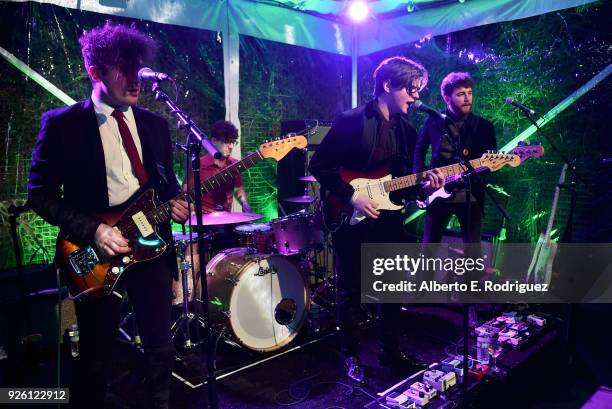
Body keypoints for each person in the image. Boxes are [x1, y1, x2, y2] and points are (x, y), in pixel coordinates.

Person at [27, 22, 188, 409]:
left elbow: (166, 185)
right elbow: (40, 195)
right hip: (93, 255)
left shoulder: (156, 125)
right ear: (95, 71)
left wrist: (176, 201)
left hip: (151, 250)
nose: (135, 79)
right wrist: (95, 229)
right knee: (98, 354)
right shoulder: (62, 125)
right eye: (123, 68)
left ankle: (160, 402)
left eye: (138, 67)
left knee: (160, 342)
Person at [309, 56, 444, 385]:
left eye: (419, 90)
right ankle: (351, 354)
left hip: (387, 217)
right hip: (350, 214)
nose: (416, 97)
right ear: (388, 85)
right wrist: (351, 195)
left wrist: (425, 184)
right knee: (351, 291)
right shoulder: (351, 121)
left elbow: (404, 180)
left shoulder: (408, 129)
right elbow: (320, 166)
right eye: (411, 89)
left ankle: (391, 350)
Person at [413, 72, 497, 253]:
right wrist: (420, 180)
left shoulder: (484, 127)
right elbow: (419, 150)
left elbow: (491, 165)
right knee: (428, 249)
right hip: (436, 191)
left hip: (470, 195)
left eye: (470, 92)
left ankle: (471, 283)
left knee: (473, 253)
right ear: (446, 97)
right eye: (460, 94)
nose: (467, 98)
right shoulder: (434, 120)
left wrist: (475, 172)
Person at [184, 120, 250, 214]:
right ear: (214, 141)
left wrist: (245, 206)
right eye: (227, 141)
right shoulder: (197, 164)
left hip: (226, 220)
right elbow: (185, 192)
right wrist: (190, 210)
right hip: (203, 222)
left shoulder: (234, 164)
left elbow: (238, 189)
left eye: (233, 142)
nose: (231, 146)